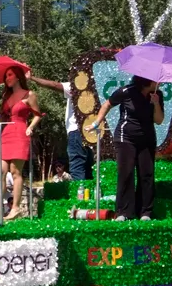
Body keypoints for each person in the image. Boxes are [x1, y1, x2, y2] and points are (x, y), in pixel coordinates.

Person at [88, 76, 163, 221]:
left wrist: (156, 104)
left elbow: (159, 120)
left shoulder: (157, 94)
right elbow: (107, 104)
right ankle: (123, 212)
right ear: (147, 81)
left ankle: (145, 212)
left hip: (147, 139)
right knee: (126, 173)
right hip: (125, 138)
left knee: (146, 174)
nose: (159, 82)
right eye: (156, 80)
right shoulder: (126, 91)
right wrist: (96, 123)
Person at [0, 65, 42, 220]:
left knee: (15, 171)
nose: (7, 78)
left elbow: (38, 115)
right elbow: (1, 119)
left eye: (10, 75)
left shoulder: (29, 94)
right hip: (6, 133)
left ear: (18, 77)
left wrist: (30, 127)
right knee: (0, 172)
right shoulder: (6, 96)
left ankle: (15, 208)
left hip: (20, 132)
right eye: (6, 76)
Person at [27, 72, 91, 180]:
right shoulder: (96, 87)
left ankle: (79, 190)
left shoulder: (78, 86)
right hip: (92, 132)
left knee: (77, 165)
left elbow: (54, 85)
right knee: (88, 166)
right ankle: (90, 190)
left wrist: (32, 78)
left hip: (76, 130)